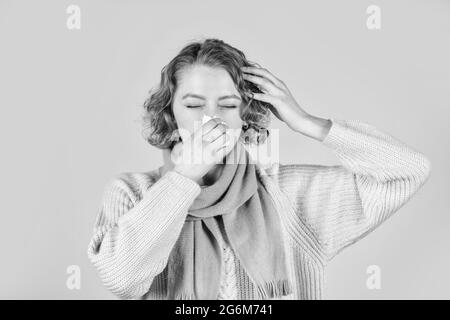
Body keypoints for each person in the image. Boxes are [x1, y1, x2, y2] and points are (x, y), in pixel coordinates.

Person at [86, 38, 431, 300]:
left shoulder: (287, 193)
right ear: (169, 111)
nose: (211, 118)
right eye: (192, 104)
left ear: (246, 114)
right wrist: (184, 178)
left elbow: (409, 171)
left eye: (228, 104)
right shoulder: (132, 192)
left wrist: (307, 122)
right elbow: (121, 278)